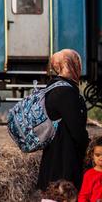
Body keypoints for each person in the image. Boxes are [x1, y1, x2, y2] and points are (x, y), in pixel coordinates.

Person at [37, 49, 89, 191]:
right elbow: (77, 131)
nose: (79, 65)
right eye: (77, 61)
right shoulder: (66, 92)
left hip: (53, 157)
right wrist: (88, 146)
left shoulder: (55, 87)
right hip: (64, 160)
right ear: (68, 64)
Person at [78, 136, 102, 202]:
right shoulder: (89, 175)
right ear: (92, 155)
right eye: (97, 155)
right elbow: (83, 196)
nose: (101, 158)